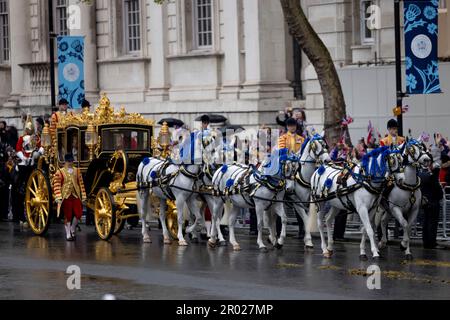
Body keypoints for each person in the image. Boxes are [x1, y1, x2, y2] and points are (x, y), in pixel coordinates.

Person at [53, 154, 87, 241]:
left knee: (78, 213)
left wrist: (83, 195)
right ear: (66, 162)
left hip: (75, 195)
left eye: (71, 161)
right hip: (66, 196)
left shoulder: (77, 171)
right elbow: (56, 185)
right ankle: (68, 234)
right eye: (69, 161)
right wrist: (58, 197)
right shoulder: (60, 172)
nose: (70, 163)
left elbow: (81, 183)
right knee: (67, 216)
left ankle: (72, 228)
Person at [420, 163, 445, 249]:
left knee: (426, 223)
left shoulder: (422, 176)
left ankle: (426, 242)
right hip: (433, 202)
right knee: (432, 224)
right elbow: (439, 192)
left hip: (425, 202)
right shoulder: (433, 177)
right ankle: (432, 243)